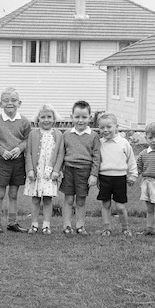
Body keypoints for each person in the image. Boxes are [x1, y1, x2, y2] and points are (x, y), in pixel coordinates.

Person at [0, 87, 31, 233]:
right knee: (0, 193)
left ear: (19, 103)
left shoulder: (24, 121)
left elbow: (27, 140)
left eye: (13, 100)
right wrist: (2, 151)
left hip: (18, 162)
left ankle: (12, 223)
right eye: (6, 100)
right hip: (2, 162)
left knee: (13, 194)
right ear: (0, 104)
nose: (10, 103)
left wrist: (19, 148)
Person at [60, 100, 101, 235]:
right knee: (69, 199)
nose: (80, 120)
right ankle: (66, 225)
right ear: (72, 117)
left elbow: (96, 157)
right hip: (69, 170)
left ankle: (80, 225)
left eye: (84, 117)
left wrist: (94, 174)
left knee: (81, 200)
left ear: (90, 118)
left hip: (84, 171)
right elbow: (61, 154)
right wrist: (59, 171)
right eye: (77, 117)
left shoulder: (94, 136)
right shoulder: (66, 134)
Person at [24, 103, 64, 235]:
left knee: (47, 199)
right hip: (36, 172)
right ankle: (34, 224)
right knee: (35, 198)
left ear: (54, 119)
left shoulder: (58, 135)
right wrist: (29, 169)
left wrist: (56, 171)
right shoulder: (33, 134)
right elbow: (28, 153)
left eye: (49, 117)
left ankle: (46, 225)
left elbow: (60, 154)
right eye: (43, 117)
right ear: (38, 119)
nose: (46, 120)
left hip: (50, 173)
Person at [97, 112, 137, 237]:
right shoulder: (99, 143)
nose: (105, 130)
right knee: (106, 204)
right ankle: (106, 228)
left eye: (109, 127)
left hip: (120, 178)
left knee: (120, 206)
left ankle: (125, 228)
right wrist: (96, 176)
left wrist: (133, 175)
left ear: (116, 126)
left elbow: (131, 160)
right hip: (104, 177)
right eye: (102, 127)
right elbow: (96, 161)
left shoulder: (123, 143)